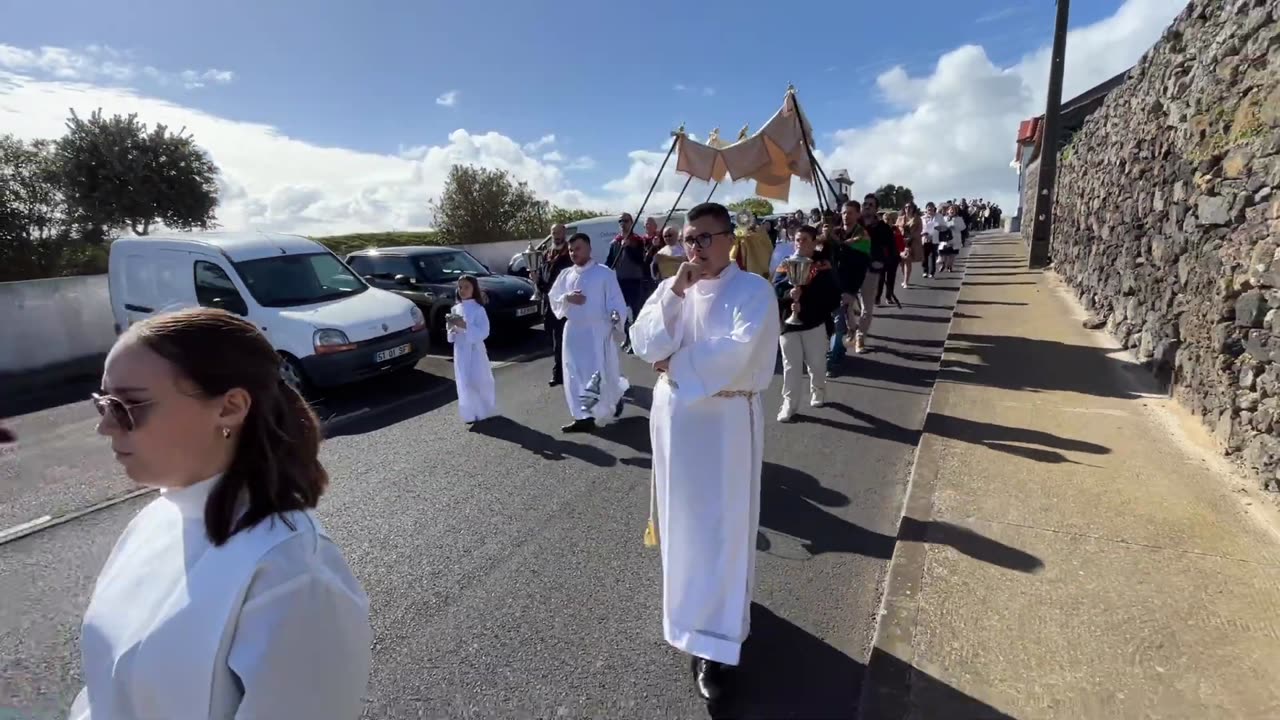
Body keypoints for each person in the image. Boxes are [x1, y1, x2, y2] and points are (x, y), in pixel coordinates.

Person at [72, 308, 370, 720]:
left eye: (129, 405)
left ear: (230, 407)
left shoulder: (293, 574)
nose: (105, 427)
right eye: (103, 403)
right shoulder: (152, 521)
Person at [628, 202, 781, 705]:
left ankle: (717, 645)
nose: (695, 249)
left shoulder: (752, 289)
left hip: (724, 423)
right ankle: (687, 618)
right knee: (682, 524)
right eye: (689, 239)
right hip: (675, 421)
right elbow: (642, 339)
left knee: (722, 527)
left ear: (730, 239)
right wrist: (676, 291)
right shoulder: (675, 286)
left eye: (706, 239)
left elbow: (738, 350)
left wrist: (674, 363)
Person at [549, 233, 629, 433]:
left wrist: (615, 319)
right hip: (574, 330)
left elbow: (615, 301)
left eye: (577, 248)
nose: (573, 253)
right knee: (574, 372)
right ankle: (582, 415)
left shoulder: (604, 273)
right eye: (571, 249)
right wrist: (567, 298)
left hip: (597, 330)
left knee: (599, 372)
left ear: (589, 249)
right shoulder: (566, 275)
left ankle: (608, 404)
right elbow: (554, 296)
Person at [773, 225, 840, 422]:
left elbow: (833, 294)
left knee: (817, 364)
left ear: (814, 242)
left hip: (814, 321)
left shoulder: (823, 265)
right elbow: (775, 287)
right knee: (791, 366)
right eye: (797, 240)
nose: (799, 244)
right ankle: (789, 404)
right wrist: (788, 294)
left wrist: (808, 295)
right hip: (789, 323)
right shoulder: (786, 263)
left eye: (804, 240)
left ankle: (818, 389)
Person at [447, 275, 497, 425]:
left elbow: (484, 331)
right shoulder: (455, 308)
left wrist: (465, 325)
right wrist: (451, 329)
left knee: (478, 379)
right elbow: (450, 336)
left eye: (466, 287)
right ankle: (470, 412)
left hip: (475, 350)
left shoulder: (478, 309)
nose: (462, 290)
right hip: (461, 350)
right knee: (465, 381)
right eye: (460, 287)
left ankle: (485, 409)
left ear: (474, 289)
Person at [534, 225, 574, 387]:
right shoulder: (546, 254)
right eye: (553, 233)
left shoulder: (569, 254)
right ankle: (562, 369)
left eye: (559, 233)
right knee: (551, 338)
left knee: (561, 339)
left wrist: (545, 285)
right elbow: (545, 279)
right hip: (548, 303)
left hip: (563, 303)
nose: (556, 236)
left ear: (564, 234)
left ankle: (559, 373)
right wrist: (537, 281)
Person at [899, 202, 924, 288]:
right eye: (906, 207)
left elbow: (919, 230)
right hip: (901, 243)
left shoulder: (917, 219)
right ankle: (905, 278)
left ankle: (906, 281)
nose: (908, 209)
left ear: (913, 208)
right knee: (901, 263)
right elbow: (896, 229)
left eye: (910, 207)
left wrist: (911, 237)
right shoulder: (900, 218)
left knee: (907, 261)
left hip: (912, 243)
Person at [942, 203, 966, 272]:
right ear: (947, 211)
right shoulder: (944, 218)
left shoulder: (959, 219)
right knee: (945, 254)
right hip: (946, 239)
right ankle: (944, 263)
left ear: (956, 211)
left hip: (955, 238)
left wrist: (955, 226)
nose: (951, 211)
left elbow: (963, 227)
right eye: (950, 209)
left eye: (953, 210)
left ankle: (950, 266)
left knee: (952, 254)